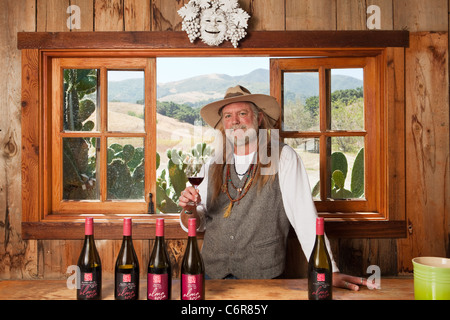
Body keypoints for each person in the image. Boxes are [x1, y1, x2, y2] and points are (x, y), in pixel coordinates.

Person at [179, 85, 369, 290]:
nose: (234, 121)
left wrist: (329, 270)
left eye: (242, 113)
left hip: (262, 278)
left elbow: (304, 217)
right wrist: (189, 210)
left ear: (258, 118)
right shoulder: (214, 162)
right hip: (211, 275)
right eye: (227, 116)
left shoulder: (283, 157)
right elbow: (198, 221)